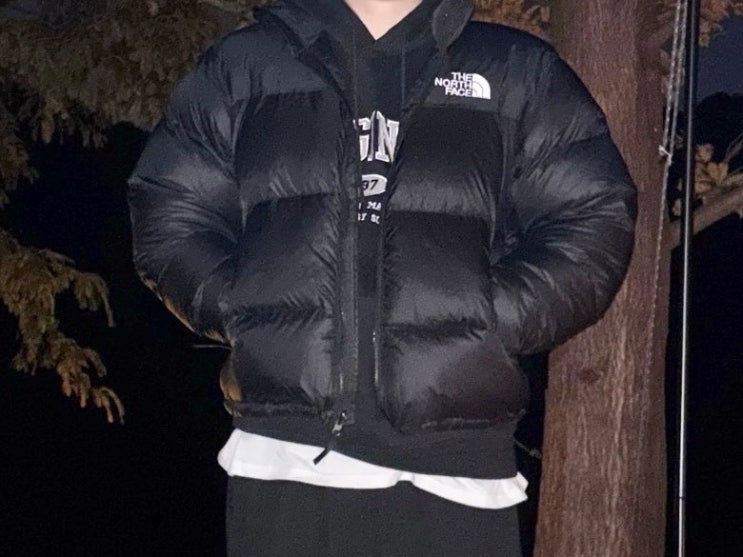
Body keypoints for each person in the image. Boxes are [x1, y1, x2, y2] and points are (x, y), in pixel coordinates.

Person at [127, 0, 637, 555]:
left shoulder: (516, 69)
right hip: (282, 459)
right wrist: (249, 310)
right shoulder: (241, 67)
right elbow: (171, 215)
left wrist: (488, 323)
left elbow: (592, 220)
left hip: (459, 468)